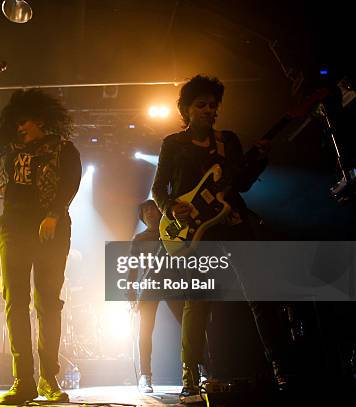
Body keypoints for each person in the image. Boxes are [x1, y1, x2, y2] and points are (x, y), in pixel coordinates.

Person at [151, 75, 285, 402]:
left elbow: (240, 184)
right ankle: (190, 378)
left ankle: (280, 367)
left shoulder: (228, 141)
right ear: (186, 109)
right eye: (202, 105)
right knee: (198, 301)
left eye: (213, 105)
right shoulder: (173, 144)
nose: (209, 110)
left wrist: (259, 160)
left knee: (260, 295)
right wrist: (171, 207)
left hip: (232, 222)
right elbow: (158, 189)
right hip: (194, 230)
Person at [0, 74, 82, 404]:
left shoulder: (64, 148)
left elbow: (70, 183)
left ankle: (48, 379)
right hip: (13, 228)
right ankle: (22, 380)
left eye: (24, 122)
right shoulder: (11, 147)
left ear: (40, 120)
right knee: (15, 303)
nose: (19, 128)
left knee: (48, 304)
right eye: (16, 123)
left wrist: (53, 214)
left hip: (52, 230)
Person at [128, 200, 184, 393]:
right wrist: (130, 296)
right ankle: (145, 376)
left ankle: (197, 368)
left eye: (152, 208)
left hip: (173, 284)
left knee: (188, 326)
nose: (150, 212)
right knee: (145, 332)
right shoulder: (139, 239)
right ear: (142, 217)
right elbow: (132, 269)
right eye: (145, 210)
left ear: (160, 211)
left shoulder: (171, 231)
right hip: (148, 288)